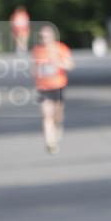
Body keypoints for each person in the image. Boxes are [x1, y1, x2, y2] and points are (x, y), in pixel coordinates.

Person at [32, 25, 74, 154]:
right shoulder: (37, 50)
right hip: (43, 88)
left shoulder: (61, 48)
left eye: (46, 36)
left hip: (59, 85)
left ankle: (58, 126)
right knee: (46, 115)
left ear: (52, 37)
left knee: (57, 114)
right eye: (42, 37)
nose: (44, 39)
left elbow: (70, 65)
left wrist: (58, 63)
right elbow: (34, 68)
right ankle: (50, 143)